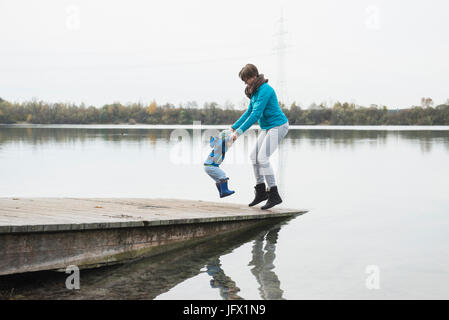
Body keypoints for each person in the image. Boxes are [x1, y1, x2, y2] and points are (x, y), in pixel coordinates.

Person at [230, 64, 289, 210]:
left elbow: (256, 115)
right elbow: (249, 112)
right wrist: (233, 127)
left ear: (254, 76)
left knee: (262, 157)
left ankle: (274, 194)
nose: (245, 83)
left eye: (246, 79)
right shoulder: (254, 92)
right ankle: (261, 191)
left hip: (278, 126)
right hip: (268, 127)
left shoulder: (265, 90)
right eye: (243, 80)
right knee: (254, 156)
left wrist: (238, 133)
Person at [203, 129, 235, 198]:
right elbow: (226, 139)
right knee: (222, 175)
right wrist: (232, 136)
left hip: (207, 166)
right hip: (211, 165)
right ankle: (224, 191)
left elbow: (213, 142)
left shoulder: (219, 143)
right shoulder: (221, 142)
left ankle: (221, 192)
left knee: (218, 180)